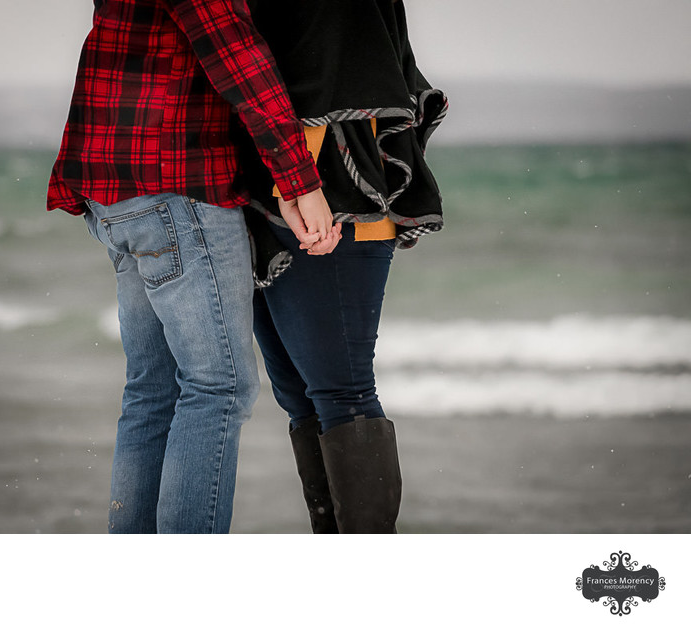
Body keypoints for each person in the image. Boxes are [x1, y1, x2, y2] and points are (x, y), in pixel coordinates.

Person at [46, 0, 338, 533]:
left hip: (116, 189)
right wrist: (301, 180)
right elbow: (238, 56)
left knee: (152, 390)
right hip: (178, 183)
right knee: (217, 387)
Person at [240, 0, 448, 533]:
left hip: (330, 193)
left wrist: (297, 181)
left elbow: (338, 67)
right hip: (270, 197)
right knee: (299, 396)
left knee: (341, 392)